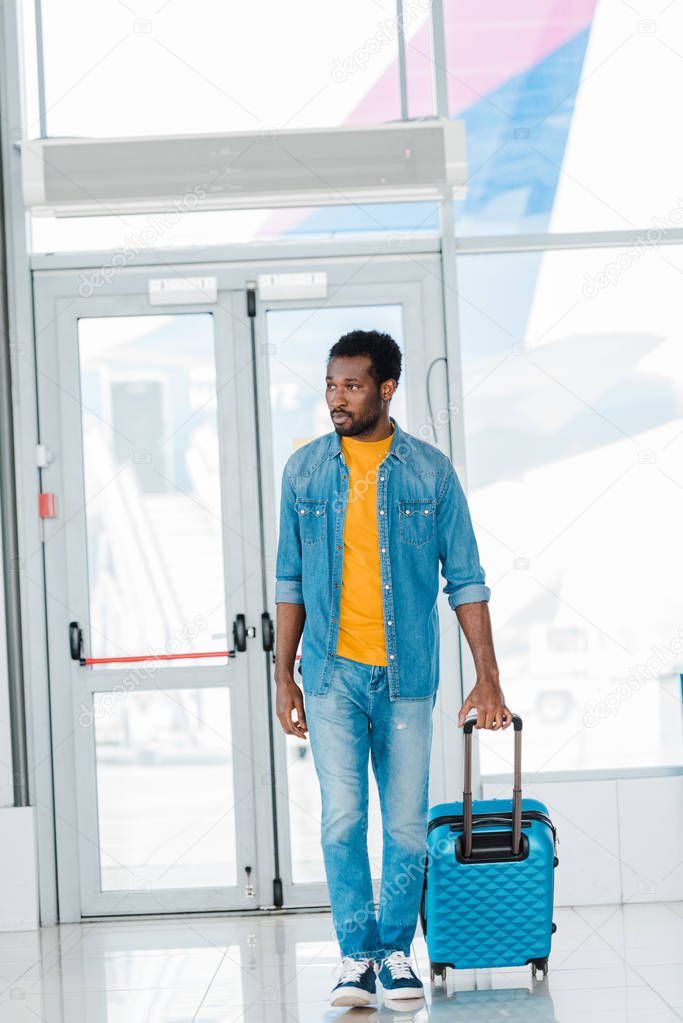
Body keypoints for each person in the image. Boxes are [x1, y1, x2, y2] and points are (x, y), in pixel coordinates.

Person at [274, 330, 511, 1007]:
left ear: (385, 389)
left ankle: (394, 953)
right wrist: (282, 674)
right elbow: (288, 578)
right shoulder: (305, 471)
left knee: (405, 824)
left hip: (406, 678)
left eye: (350, 385)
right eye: (329, 385)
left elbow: (465, 579)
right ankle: (355, 955)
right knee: (341, 818)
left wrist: (487, 675)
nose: (335, 399)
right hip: (329, 674)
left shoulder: (429, 472)